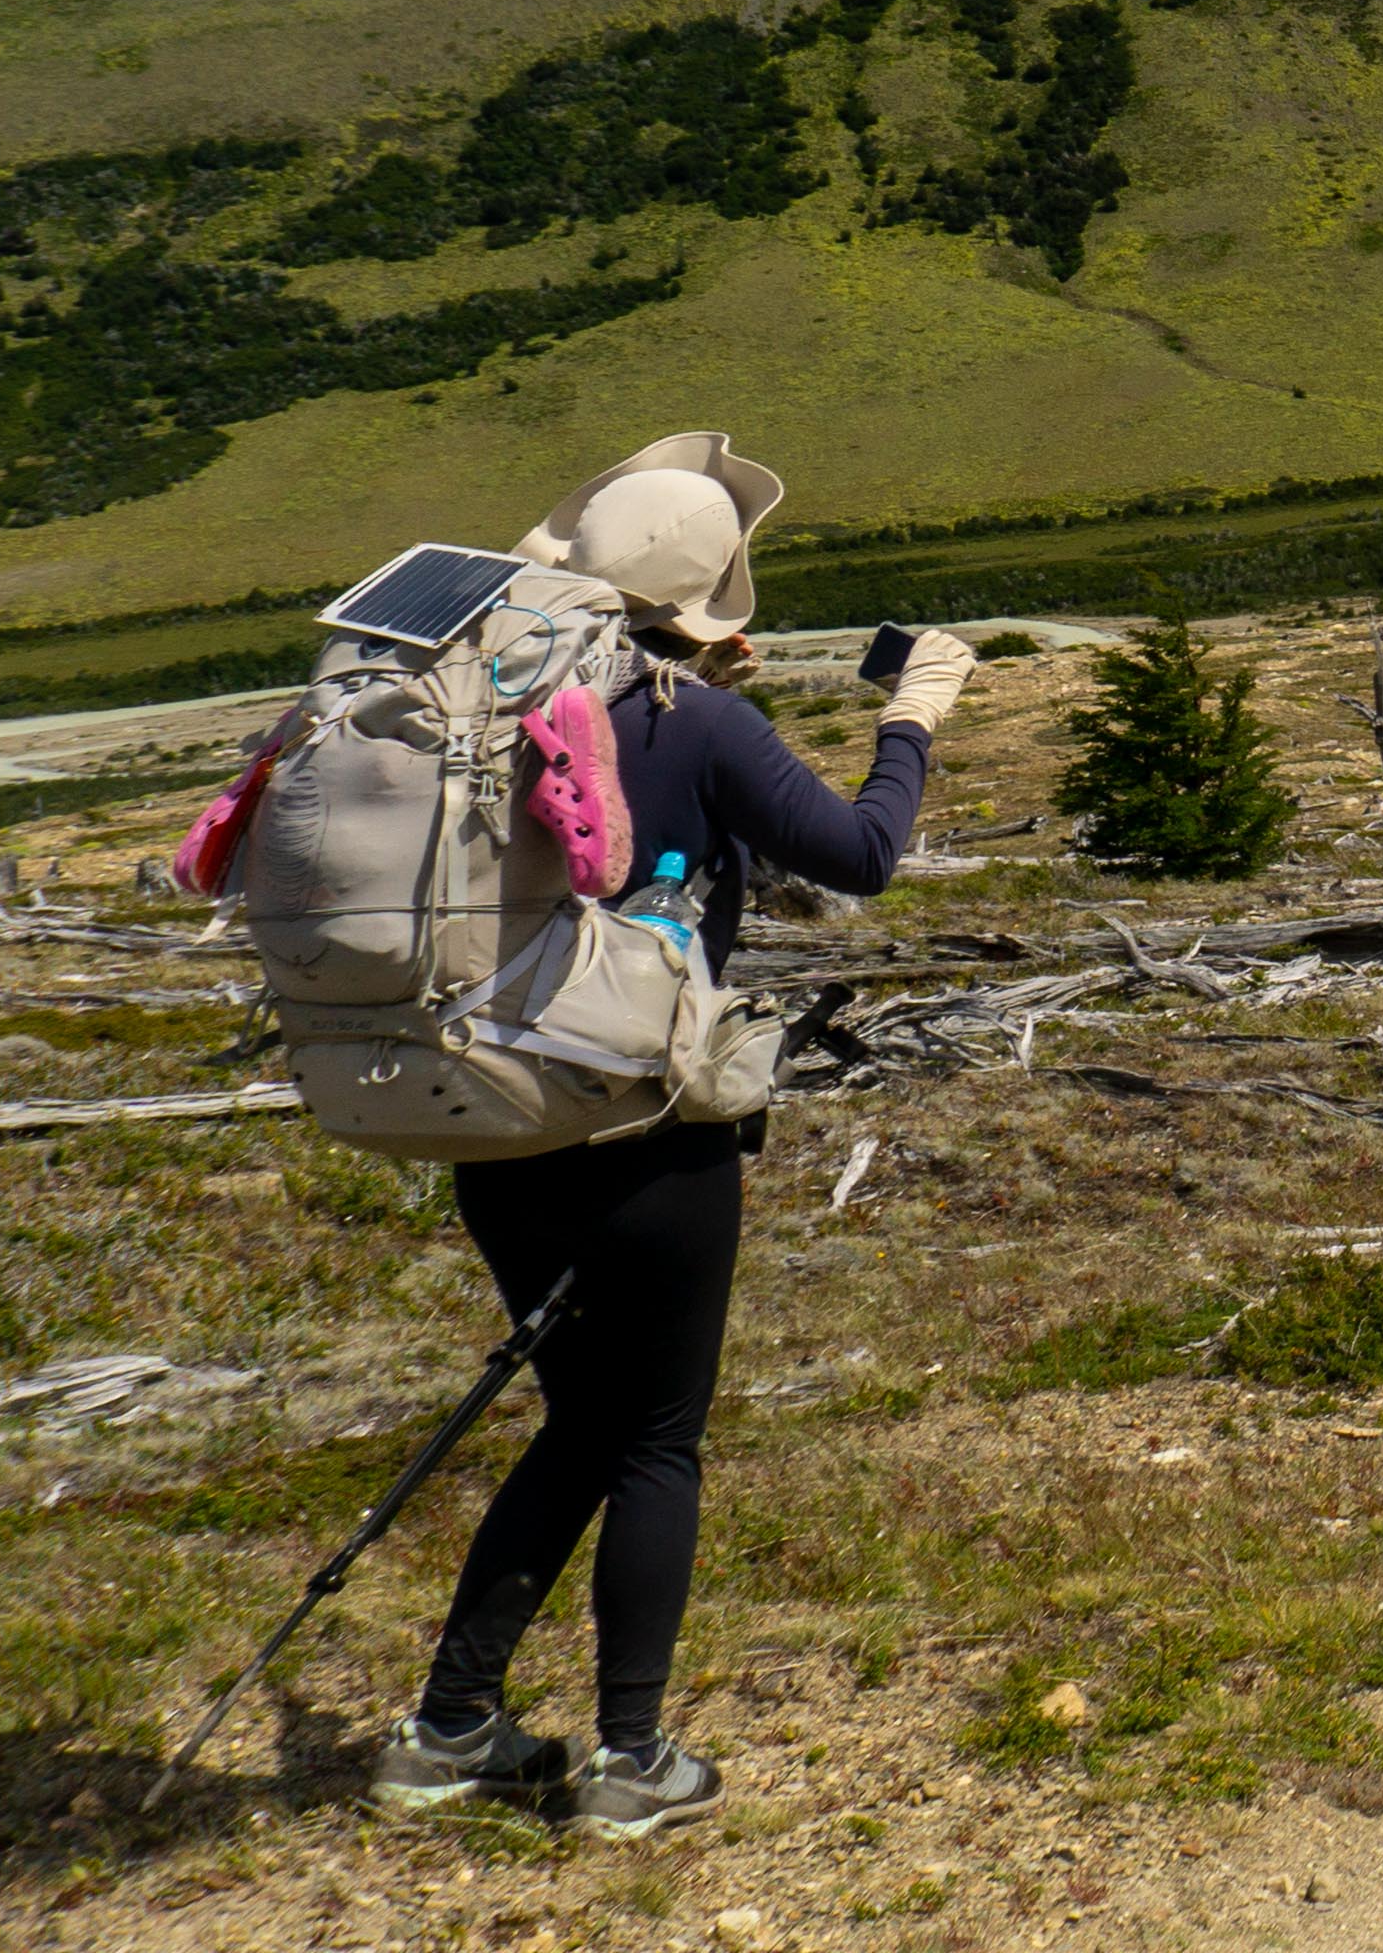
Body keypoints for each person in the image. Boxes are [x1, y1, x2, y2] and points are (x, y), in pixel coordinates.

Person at [370, 435, 971, 1841]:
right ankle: (632, 1759)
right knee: (654, 1439)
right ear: (709, 597)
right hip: (644, 1122)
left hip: (491, 1122)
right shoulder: (697, 721)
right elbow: (863, 855)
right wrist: (916, 716)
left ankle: (452, 1727)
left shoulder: (482, 698)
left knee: (581, 1418)